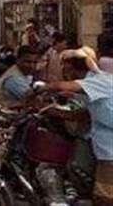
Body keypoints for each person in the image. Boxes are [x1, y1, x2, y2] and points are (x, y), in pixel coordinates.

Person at [43, 50, 113, 206]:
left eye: (66, 68)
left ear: (75, 69)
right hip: (103, 145)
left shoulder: (95, 81)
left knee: (104, 198)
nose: (64, 72)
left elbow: (60, 85)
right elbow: (84, 112)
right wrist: (51, 109)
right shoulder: (95, 82)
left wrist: (38, 89)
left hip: (109, 149)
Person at [0, 45, 40, 114]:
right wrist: (49, 87)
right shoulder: (13, 78)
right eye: (28, 62)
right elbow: (30, 96)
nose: (32, 66)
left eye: (35, 62)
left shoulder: (24, 73)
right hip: (8, 118)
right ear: (17, 60)